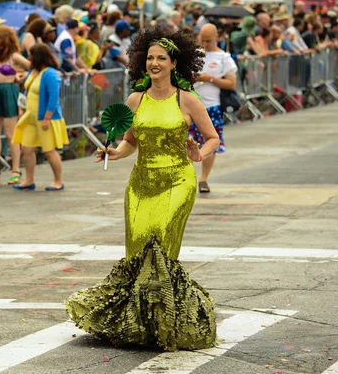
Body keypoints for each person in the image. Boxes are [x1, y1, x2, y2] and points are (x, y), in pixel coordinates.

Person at [65, 27, 220, 351]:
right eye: (149, 58)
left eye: (161, 58)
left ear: (174, 63)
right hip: (141, 183)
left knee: (160, 240)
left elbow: (212, 138)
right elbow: (129, 143)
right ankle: (139, 322)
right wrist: (113, 152)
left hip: (178, 179)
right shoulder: (136, 99)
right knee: (137, 248)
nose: (154, 63)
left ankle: (168, 320)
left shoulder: (187, 99)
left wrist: (199, 155)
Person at [12, 44, 68, 191]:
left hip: (44, 117)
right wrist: (22, 107)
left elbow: (54, 96)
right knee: (26, 149)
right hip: (31, 116)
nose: (28, 58)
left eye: (30, 55)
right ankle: (29, 180)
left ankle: (58, 180)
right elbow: (28, 91)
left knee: (49, 151)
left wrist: (47, 117)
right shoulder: (34, 72)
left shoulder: (50, 74)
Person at [192, 24, 237, 193]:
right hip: (191, 106)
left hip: (212, 107)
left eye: (208, 40)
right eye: (202, 40)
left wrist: (210, 79)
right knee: (185, 141)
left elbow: (231, 83)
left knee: (210, 143)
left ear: (216, 37)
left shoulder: (224, 58)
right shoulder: (195, 54)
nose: (205, 44)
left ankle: (203, 178)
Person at [0, 26, 30, 185]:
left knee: (11, 134)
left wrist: (22, 76)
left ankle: (15, 169)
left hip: (10, 91)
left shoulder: (14, 56)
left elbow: (31, 66)